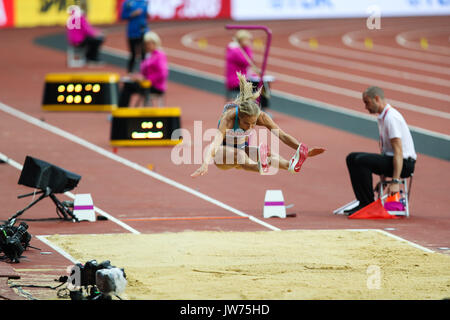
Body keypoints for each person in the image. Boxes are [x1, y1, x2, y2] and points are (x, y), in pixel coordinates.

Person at [191, 72, 325, 177]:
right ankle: (260, 166)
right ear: (240, 116)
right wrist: (205, 164)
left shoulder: (261, 116)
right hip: (223, 156)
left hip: (243, 149)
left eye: (253, 124)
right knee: (240, 155)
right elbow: (215, 143)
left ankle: (290, 165)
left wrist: (302, 149)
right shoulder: (229, 118)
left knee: (267, 154)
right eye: (246, 123)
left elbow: (283, 136)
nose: (250, 127)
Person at [344, 86, 417, 216]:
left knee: (361, 161)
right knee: (351, 158)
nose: (365, 107)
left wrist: (395, 182)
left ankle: (368, 204)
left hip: (405, 164)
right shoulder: (383, 117)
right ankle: (363, 202)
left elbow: (398, 152)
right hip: (393, 160)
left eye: (367, 102)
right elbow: (385, 152)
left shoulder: (391, 118)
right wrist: (383, 179)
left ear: (376, 99)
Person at [118, 31, 168, 107]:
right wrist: (136, 77)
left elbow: (162, 73)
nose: (147, 46)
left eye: (149, 43)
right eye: (145, 44)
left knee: (127, 87)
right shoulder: (148, 55)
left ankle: (121, 111)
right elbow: (144, 73)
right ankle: (122, 110)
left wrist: (146, 79)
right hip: (146, 84)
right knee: (128, 84)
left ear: (155, 43)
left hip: (155, 86)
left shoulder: (159, 55)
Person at [225, 30, 260, 100]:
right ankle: (257, 106)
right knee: (259, 87)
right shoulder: (235, 51)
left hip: (243, 78)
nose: (249, 42)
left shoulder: (241, 49)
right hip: (236, 81)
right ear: (241, 40)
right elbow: (248, 62)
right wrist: (248, 48)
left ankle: (259, 107)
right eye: (247, 40)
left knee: (261, 83)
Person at [121, 0, 150, 73]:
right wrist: (133, 14)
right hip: (132, 32)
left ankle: (145, 71)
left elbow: (146, 16)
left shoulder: (144, 2)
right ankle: (130, 71)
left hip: (143, 31)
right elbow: (122, 16)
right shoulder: (128, 3)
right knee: (133, 54)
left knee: (144, 53)